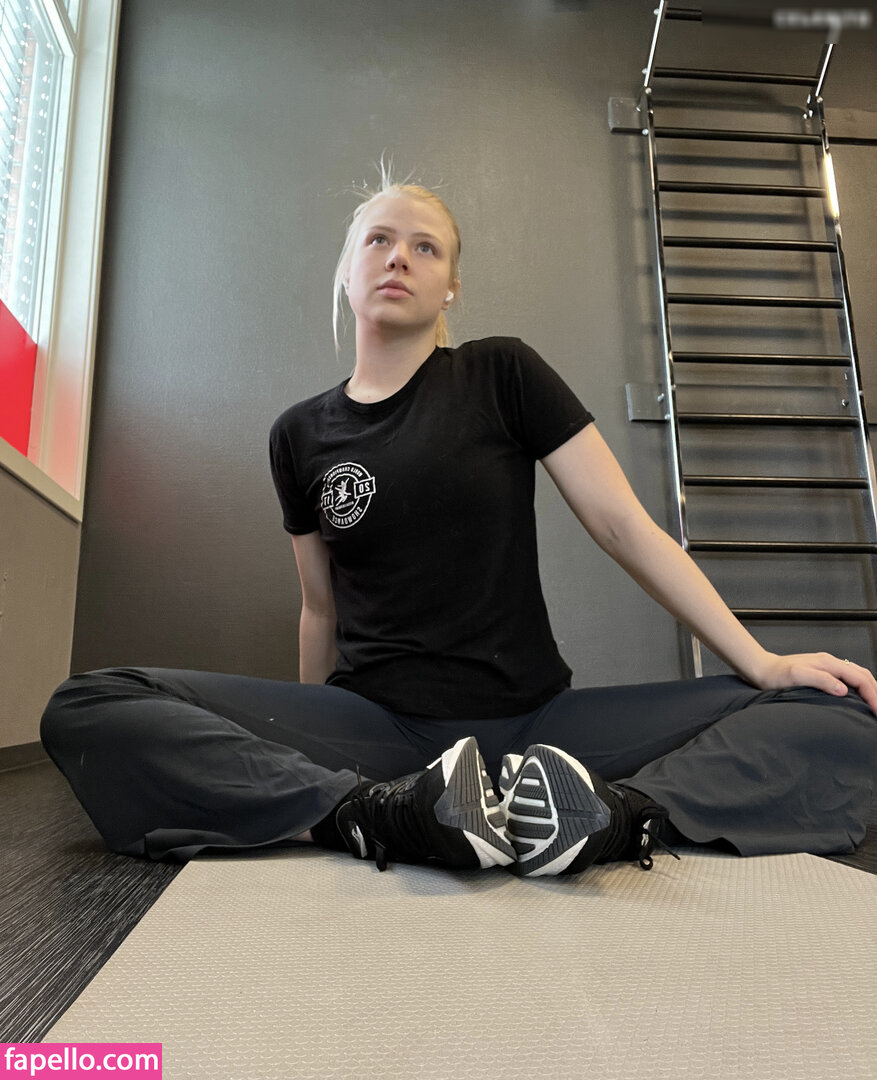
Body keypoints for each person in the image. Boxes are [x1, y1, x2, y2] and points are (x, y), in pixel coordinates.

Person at [40, 167, 877, 878]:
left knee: (836, 709)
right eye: (377, 239)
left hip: (539, 729)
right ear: (345, 269)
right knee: (90, 704)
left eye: (425, 247)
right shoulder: (299, 435)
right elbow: (319, 609)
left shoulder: (500, 373)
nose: (397, 256)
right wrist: (303, 746)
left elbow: (623, 526)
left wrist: (761, 662)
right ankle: (376, 815)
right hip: (379, 731)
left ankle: (615, 816)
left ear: (450, 288)